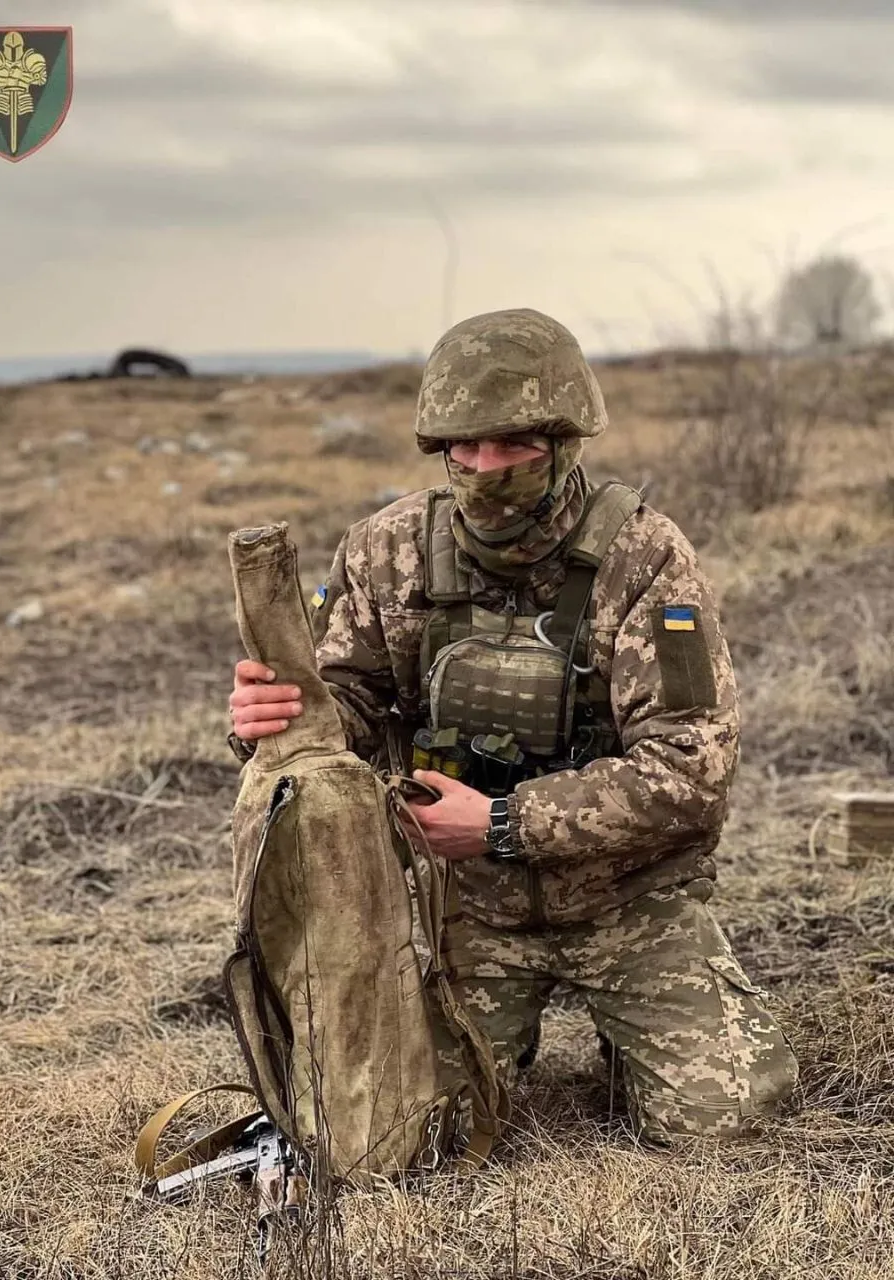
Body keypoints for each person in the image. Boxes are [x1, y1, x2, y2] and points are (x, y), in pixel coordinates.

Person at [228, 307, 798, 1143]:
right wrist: (274, 722)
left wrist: (497, 823)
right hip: (465, 910)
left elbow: (689, 772)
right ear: (440, 448)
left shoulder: (646, 559)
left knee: (727, 1118)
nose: (487, 468)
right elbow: (345, 707)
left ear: (565, 443)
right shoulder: (386, 552)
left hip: (627, 900)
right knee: (408, 1132)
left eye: (514, 447)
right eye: (467, 448)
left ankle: (636, 1020)